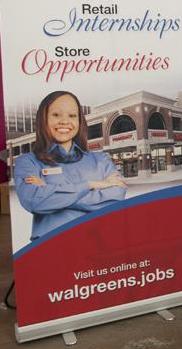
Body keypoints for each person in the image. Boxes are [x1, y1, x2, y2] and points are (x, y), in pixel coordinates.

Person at [14, 91, 127, 241]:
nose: (64, 121)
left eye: (72, 116)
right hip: (51, 246)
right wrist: (91, 184)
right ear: (43, 119)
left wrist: (53, 193)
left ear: (80, 121)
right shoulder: (27, 162)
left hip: (99, 244)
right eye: (56, 115)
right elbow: (35, 202)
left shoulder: (101, 159)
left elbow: (115, 200)